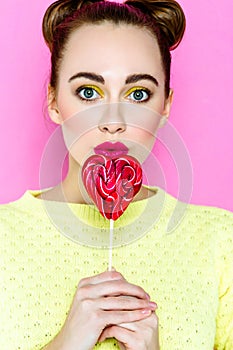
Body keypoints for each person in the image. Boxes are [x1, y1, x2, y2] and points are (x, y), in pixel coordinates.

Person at [1, 0, 233, 349]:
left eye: (138, 94)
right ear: (53, 100)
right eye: (88, 92)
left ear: (165, 105)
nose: (113, 122)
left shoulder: (220, 241)